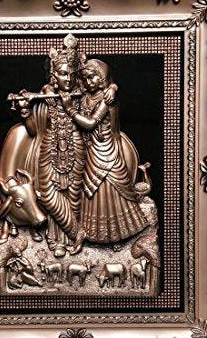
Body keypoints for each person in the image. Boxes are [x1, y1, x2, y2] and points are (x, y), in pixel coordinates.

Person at [61, 59, 149, 243]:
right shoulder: (86, 95)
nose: (89, 82)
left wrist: (69, 109)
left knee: (108, 188)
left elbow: (90, 123)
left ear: (102, 77)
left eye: (93, 77)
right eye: (85, 78)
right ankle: (94, 234)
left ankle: (118, 236)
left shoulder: (106, 98)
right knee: (91, 190)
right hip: (90, 150)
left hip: (106, 149)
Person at [15, 34, 86, 257]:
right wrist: (25, 110)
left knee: (73, 196)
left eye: (71, 74)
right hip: (49, 149)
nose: (68, 79)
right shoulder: (46, 96)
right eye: (63, 74)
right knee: (47, 194)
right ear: (54, 75)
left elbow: (92, 122)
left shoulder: (82, 96)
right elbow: (33, 130)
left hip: (75, 148)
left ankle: (63, 241)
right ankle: (75, 233)